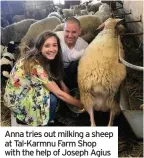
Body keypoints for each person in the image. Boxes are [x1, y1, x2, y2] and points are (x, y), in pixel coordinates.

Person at [4, 31, 83, 126]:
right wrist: (80, 104)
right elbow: (60, 94)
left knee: (53, 89)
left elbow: (53, 72)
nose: (52, 49)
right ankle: (44, 121)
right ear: (40, 47)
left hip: (20, 90)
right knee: (52, 98)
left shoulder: (39, 57)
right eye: (47, 46)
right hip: (18, 100)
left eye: (54, 45)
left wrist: (63, 85)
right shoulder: (36, 65)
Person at [56, 17, 88, 89]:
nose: (70, 36)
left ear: (79, 31)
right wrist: (62, 84)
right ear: (63, 30)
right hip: (54, 70)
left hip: (69, 71)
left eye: (74, 32)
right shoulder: (55, 39)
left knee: (78, 63)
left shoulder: (84, 46)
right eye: (67, 31)